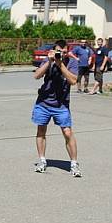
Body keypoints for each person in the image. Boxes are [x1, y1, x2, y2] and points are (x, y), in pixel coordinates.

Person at [32, 40, 81, 177]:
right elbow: (36, 75)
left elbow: (73, 81)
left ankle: (74, 164)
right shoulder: (49, 60)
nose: (62, 54)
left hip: (61, 104)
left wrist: (60, 65)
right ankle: (42, 160)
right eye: (59, 51)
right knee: (41, 130)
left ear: (67, 51)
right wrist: (49, 61)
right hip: (44, 103)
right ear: (54, 50)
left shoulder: (71, 62)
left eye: (64, 52)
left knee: (67, 132)